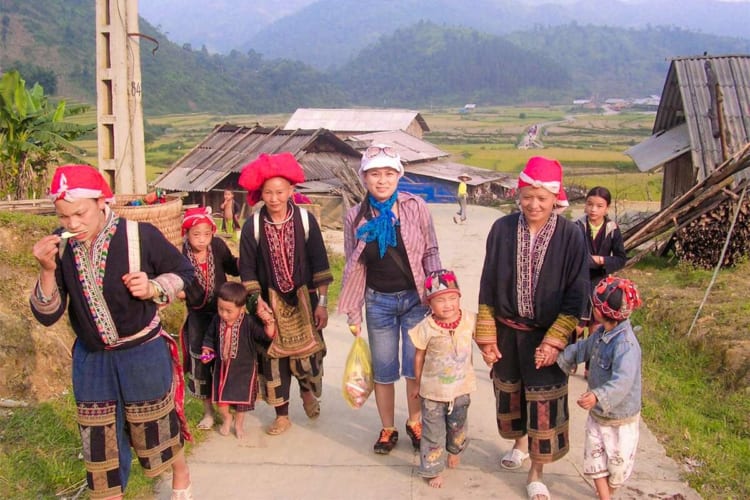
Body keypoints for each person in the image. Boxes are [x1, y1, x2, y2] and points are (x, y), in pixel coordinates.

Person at [29, 165, 194, 500]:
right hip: (92, 360)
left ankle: (179, 469)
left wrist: (152, 287)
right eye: (64, 217)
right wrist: (47, 271)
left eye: (80, 213)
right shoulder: (61, 250)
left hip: (142, 352)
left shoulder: (140, 236)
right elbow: (48, 315)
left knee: (155, 426)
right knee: (98, 441)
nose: (73, 224)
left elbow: (183, 271)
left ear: (102, 203)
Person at [476, 156, 588, 500]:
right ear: (518, 194)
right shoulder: (502, 229)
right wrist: (486, 333)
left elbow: (577, 291)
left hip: (546, 334)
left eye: (542, 197)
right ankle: (519, 443)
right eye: (527, 196)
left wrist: (555, 341)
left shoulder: (571, 235)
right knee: (509, 393)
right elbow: (489, 281)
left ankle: (536, 471)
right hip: (508, 332)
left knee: (543, 404)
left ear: (556, 198)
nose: (533, 204)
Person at [338, 143, 442, 455]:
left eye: (388, 173)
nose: (382, 180)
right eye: (374, 174)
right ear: (364, 178)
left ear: (399, 175)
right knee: (383, 371)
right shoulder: (355, 217)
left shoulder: (415, 207)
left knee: (414, 368)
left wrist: (438, 295)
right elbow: (352, 264)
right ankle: (387, 428)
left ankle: (415, 421)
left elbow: (431, 251)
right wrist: (353, 312)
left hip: (416, 301)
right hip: (378, 303)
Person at [238, 152, 333, 436]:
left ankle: (307, 392)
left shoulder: (305, 221)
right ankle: (281, 414)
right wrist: (258, 306)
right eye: (268, 192)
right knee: (273, 360)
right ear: (260, 194)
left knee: (309, 356)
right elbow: (247, 270)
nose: (275, 198)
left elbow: (320, 263)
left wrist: (323, 304)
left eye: (280, 192)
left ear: (292, 190)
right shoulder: (253, 226)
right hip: (270, 303)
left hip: (305, 301)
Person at [557, 276, 643, 500]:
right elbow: (582, 349)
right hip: (598, 416)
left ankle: (610, 489)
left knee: (617, 465)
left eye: (594, 305)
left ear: (601, 311)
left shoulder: (626, 345)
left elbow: (622, 381)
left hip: (620, 419)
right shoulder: (600, 334)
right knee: (595, 457)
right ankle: (605, 496)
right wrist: (558, 357)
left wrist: (597, 395)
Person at [408, 269, 477, 488]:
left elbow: (484, 339)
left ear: (459, 298)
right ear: (430, 304)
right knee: (432, 431)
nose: (447, 305)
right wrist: (418, 382)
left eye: (452, 298)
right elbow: (418, 356)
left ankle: (454, 450)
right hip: (432, 391)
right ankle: (433, 469)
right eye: (440, 300)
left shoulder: (468, 319)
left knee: (457, 426)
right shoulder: (426, 327)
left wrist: (491, 353)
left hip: (461, 389)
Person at [178, 206, 239, 431]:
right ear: (186, 233)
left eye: (206, 234)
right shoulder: (180, 254)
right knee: (202, 361)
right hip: (198, 317)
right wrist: (178, 290)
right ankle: (208, 412)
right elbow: (174, 278)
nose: (202, 239)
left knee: (227, 357)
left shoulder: (218, 247)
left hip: (223, 314)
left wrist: (246, 263)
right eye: (196, 234)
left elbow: (232, 266)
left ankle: (229, 407)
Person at [201, 281, 275, 438]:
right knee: (221, 401)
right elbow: (209, 337)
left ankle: (239, 424)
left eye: (228, 311)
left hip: (244, 371)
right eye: (220, 309)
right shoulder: (217, 321)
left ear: (242, 309)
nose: (223, 314)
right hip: (222, 369)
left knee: (242, 403)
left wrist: (269, 323)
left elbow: (265, 336)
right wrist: (207, 350)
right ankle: (227, 418)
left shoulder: (249, 323)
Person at [574, 186, 627, 377]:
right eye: (589, 204)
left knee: (596, 328)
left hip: (601, 284)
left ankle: (590, 368)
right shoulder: (577, 226)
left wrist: (602, 260)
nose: (593, 209)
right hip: (578, 282)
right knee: (577, 327)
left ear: (607, 208)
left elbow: (621, 258)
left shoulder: (612, 230)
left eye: (599, 206)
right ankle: (571, 358)